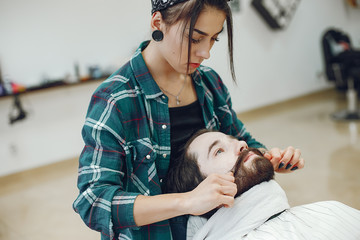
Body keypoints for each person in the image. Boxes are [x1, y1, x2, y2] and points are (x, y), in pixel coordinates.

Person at [73, 1, 304, 239]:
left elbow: (241, 137)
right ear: (157, 23)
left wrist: (266, 158)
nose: (206, 53)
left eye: (214, 38)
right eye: (195, 38)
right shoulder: (115, 99)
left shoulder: (209, 83)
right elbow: (93, 202)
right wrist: (187, 201)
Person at [165, 129, 360, 240]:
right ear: (200, 191)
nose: (242, 143)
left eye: (233, 140)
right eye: (218, 151)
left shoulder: (330, 211)